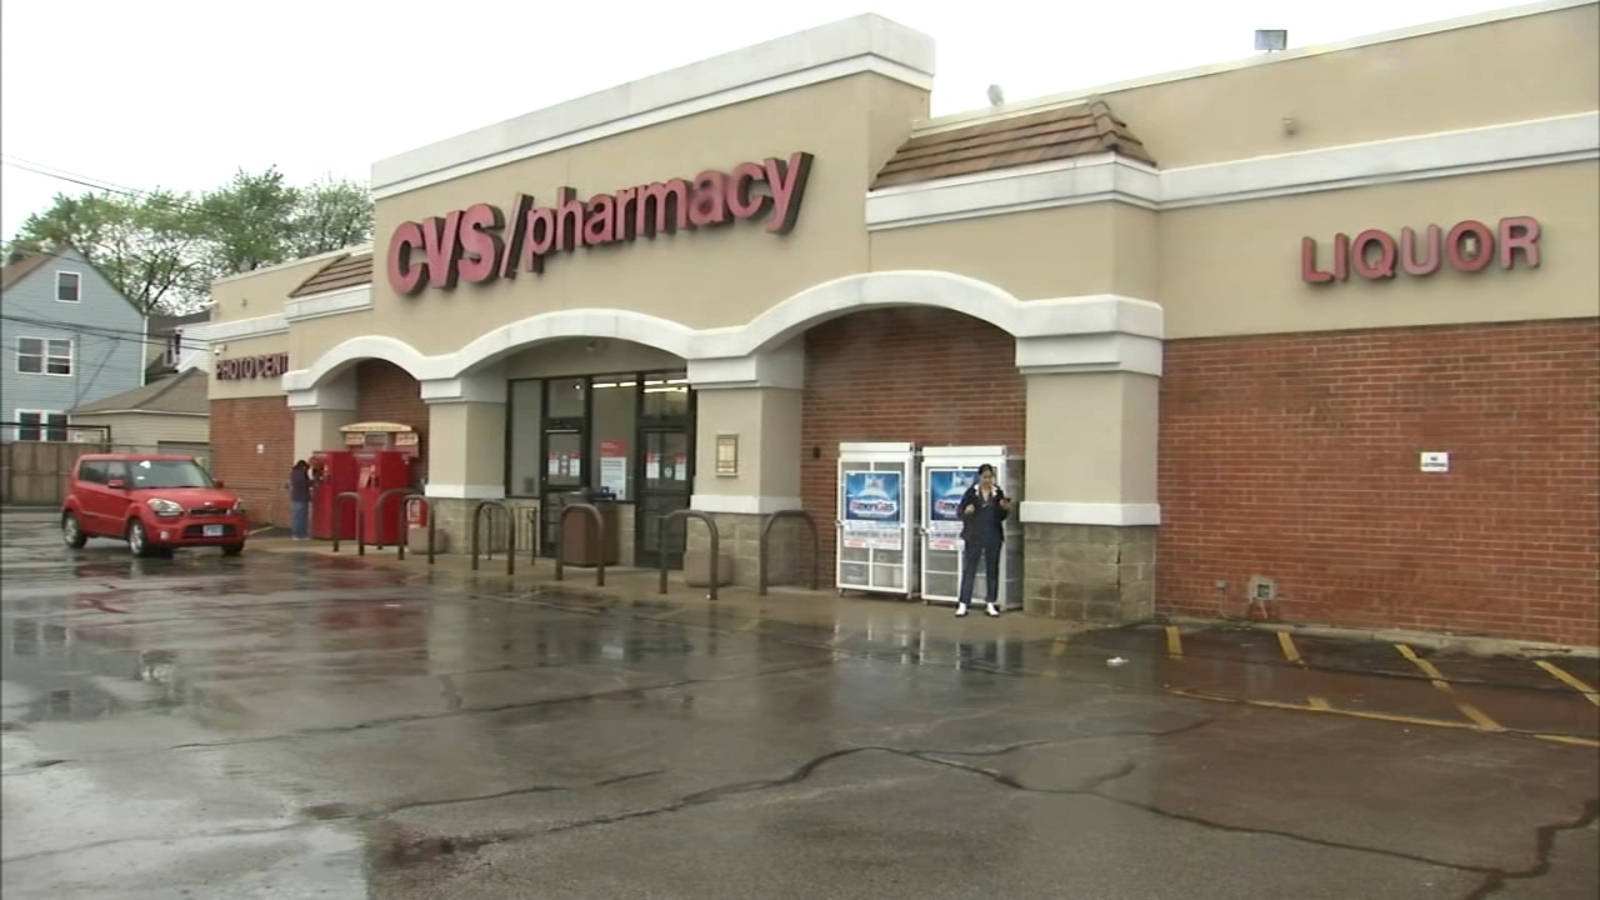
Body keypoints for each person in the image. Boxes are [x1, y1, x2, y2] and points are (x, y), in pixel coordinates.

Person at [956, 463, 1011, 617]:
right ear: (979, 477)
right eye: (985, 477)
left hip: (992, 535)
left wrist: (1004, 508)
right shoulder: (971, 492)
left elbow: (1001, 516)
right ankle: (963, 603)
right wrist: (967, 511)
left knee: (992, 570)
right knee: (970, 569)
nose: (988, 480)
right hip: (974, 536)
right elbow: (960, 512)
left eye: (990, 477)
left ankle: (990, 602)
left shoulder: (997, 492)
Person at [288, 460, 311, 541]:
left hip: (296, 497)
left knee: (298, 517)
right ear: (303, 467)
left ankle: (298, 534)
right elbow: (306, 483)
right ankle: (300, 534)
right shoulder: (301, 473)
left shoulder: (294, 472)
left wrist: (308, 465)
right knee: (301, 517)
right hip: (301, 497)